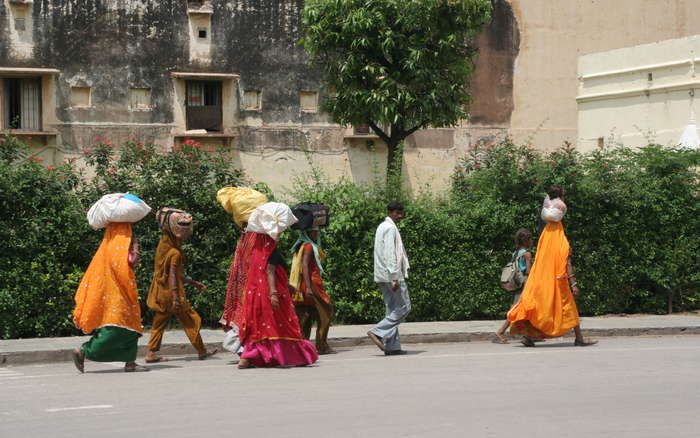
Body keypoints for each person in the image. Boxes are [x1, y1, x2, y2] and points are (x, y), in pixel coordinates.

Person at [508, 186, 597, 347]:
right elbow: (566, 261)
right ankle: (579, 338)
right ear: (561, 198)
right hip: (559, 281)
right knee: (570, 308)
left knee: (538, 304)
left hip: (542, 280)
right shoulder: (560, 239)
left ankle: (529, 337)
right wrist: (573, 283)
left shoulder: (544, 237)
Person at [237, 202, 319, 368]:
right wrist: (274, 293)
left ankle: (249, 356)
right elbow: (270, 271)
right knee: (279, 324)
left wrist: (288, 288)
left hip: (256, 293)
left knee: (260, 325)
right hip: (271, 293)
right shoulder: (270, 249)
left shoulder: (256, 248)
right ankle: (279, 356)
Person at [72, 222, 148, 373]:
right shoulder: (119, 244)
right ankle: (84, 350)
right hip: (119, 295)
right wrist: (136, 247)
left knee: (132, 328)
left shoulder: (107, 244)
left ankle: (130, 362)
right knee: (116, 328)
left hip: (118, 293)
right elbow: (131, 262)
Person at [144, 208, 217, 363]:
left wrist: (192, 282)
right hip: (172, 294)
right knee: (190, 319)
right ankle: (201, 351)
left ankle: (152, 353)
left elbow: (173, 273)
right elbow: (172, 276)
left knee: (160, 322)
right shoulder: (175, 253)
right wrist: (176, 297)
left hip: (161, 292)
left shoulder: (163, 248)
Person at [217, 187, 268, 355]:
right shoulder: (256, 237)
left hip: (245, 286)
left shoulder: (246, 236)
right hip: (251, 286)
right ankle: (244, 350)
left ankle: (244, 349)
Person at [367, 200, 411, 356]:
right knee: (404, 307)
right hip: (390, 274)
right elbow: (390, 253)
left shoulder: (381, 226)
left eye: (401, 213)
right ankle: (378, 332)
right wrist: (394, 277)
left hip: (381, 274)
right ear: (391, 212)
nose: (400, 216)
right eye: (398, 213)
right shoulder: (390, 228)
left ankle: (392, 346)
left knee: (392, 309)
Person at [289, 227, 336, 354]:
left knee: (305, 315)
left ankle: (302, 346)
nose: (317, 234)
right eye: (314, 231)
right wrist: (309, 287)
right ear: (308, 233)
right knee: (326, 312)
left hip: (301, 286)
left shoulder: (300, 245)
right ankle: (321, 345)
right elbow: (304, 265)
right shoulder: (309, 246)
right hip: (312, 285)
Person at [493, 228, 533, 344]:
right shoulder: (527, 254)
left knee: (524, 309)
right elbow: (528, 271)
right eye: (530, 239)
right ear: (526, 240)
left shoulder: (515, 253)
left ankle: (528, 336)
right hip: (525, 284)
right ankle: (500, 332)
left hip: (517, 283)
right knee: (516, 309)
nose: (532, 242)